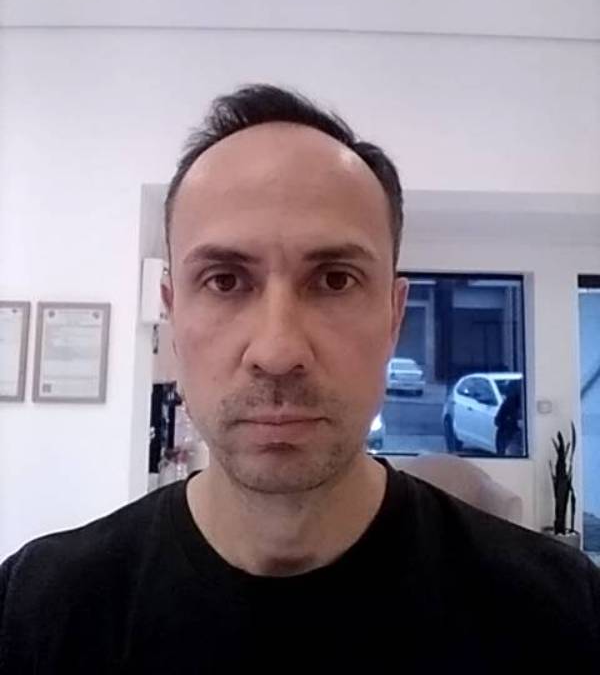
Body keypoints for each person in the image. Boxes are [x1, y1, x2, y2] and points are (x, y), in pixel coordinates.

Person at [0, 85, 598, 673]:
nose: (278, 351)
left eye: (335, 280)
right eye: (224, 281)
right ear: (172, 313)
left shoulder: (564, 615)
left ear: (394, 318)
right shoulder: (32, 612)